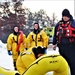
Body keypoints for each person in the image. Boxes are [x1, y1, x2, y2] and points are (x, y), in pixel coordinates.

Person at [53, 8, 75, 75]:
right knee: (63, 64)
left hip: (71, 47)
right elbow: (55, 34)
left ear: (68, 16)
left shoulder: (73, 23)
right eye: (63, 16)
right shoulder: (59, 24)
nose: (65, 18)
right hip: (61, 47)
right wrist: (54, 43)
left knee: (73, 64)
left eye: (66, 16)